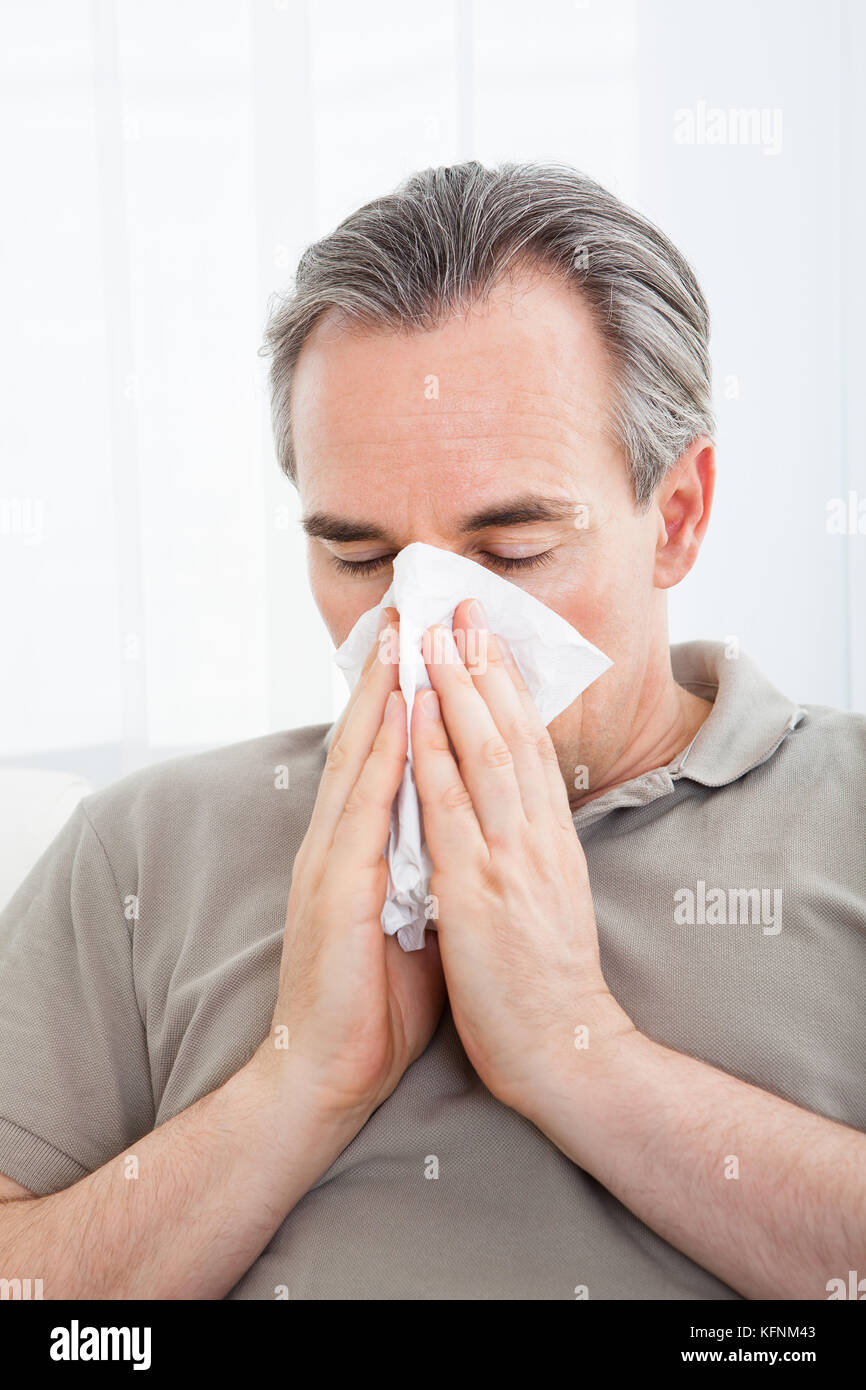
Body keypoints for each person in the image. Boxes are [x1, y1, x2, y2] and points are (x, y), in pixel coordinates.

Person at [1, 161, 864, 1300]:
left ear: (678, 519)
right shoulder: (139, 852)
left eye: (510, 553)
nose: (424, 626)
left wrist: (575, 1051)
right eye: (358, 556)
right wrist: (300, 1078)